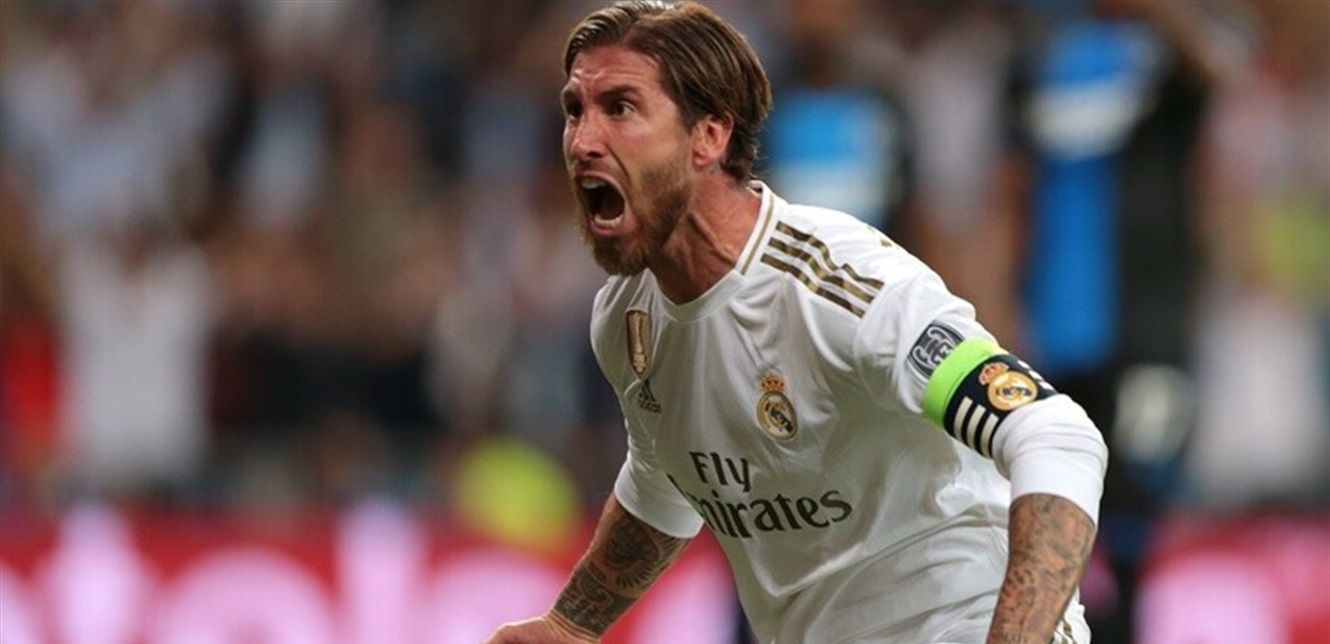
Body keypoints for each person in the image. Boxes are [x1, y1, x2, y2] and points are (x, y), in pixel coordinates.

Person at [486, 2, 1106, 642]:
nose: (583, 142)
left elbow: (1055, 434)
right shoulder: (627, 318)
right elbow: (664, 480)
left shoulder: (839, 289)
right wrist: (570, 624)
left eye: (620, 108)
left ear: (709, 136)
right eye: (574, 111)